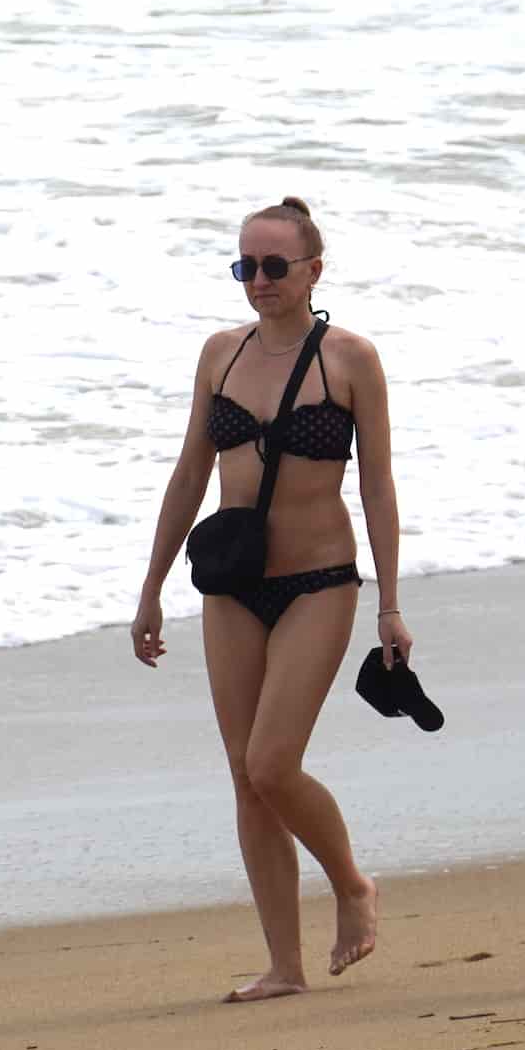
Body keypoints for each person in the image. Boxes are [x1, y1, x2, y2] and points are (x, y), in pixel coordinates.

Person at [132, 196, 405, 1002]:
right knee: (244, 777)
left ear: (314, 269)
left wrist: (390, 601)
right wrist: (149, 588)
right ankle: (284, 964)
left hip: (320, 579)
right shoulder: (220, 353)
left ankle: (352, 883)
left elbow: (380, 485)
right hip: (232, 584)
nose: (259, 280)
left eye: (275, 265)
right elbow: (189, 473)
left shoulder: (350, 359)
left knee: (272, 761)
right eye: (245, 266)